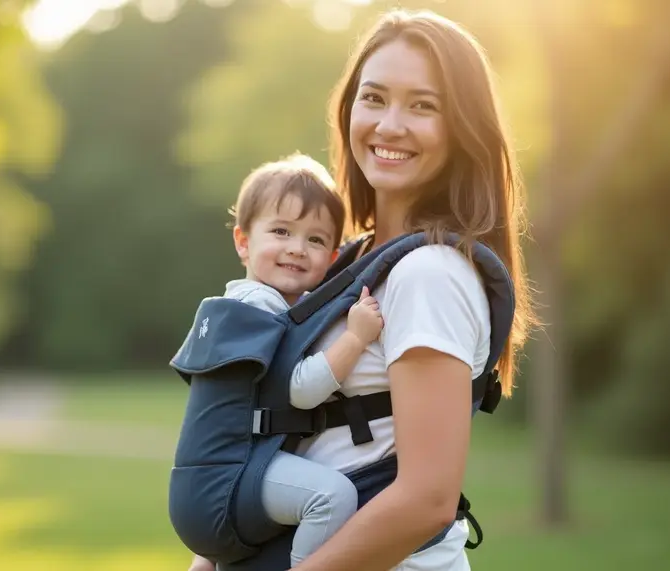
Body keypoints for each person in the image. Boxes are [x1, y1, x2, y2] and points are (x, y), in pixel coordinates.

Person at [196, 8, 536, 571]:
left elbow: (427, 501)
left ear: (461, 129)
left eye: (422, 105)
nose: (390, 124)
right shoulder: (350, 259)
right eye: (374, 98)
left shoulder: (430, 274)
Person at [188, 153, 386, 571]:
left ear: (332, 258)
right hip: (230, 476)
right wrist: (355, 338)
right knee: (332, 497)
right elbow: (301, 389)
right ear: (243, 241)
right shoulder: (258, 304)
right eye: (281, 231)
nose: (297, 249)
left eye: (315, 240)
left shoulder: (252, 304)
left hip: (210, 480)